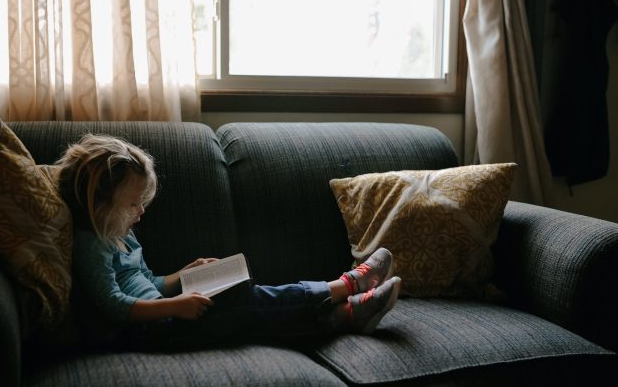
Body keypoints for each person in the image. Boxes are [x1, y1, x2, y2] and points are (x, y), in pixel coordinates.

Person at [56, 133, 402, 350]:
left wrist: (182, 275)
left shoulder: (122, 235)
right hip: (149, 333)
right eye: (132, 204)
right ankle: (346, 286)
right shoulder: (91, 245)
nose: (141, 212)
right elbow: (115, 304)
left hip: (162, 318)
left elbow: (149, 284)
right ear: (100, 203)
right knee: (245, 303)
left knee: (245, 302)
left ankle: (345, 315)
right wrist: (176, 306)